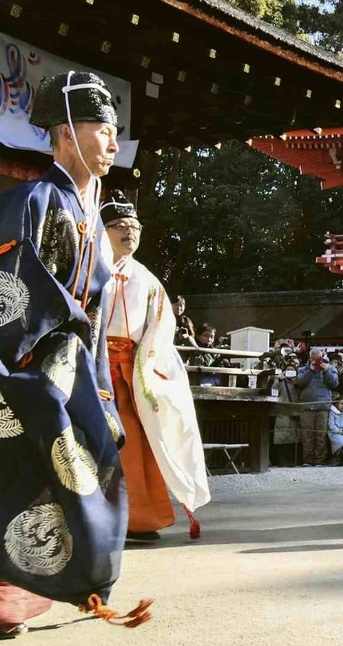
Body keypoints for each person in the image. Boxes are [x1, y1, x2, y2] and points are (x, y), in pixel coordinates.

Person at [0, 71, 152, 637]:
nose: (114, 142)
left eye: (116, 132)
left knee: (85, 478)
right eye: (104, 129)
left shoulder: (94, 212)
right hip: (27, 369)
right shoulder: (34, 201)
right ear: (65, 133)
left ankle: (72, 584)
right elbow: (12, 291)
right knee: (25, 477)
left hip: (74, 371)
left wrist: (95, 385)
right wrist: (32, 368)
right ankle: (13, 594)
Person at [100, 191, 209, 542]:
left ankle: (139, 520)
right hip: (92, 365)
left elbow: (161, 328)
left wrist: (147, 370)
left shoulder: (146, 279)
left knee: (137, 442)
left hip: (132, 370)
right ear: (103, 231)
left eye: (134, 227)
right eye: (118, 226)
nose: (128, 233)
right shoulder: (88, 270)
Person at [295, 348, 339, 466]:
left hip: (322, 406)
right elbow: (299, 383)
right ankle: (308, 460)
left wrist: (326, 371)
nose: (316, 361)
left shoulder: (330, 368)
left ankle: (320, 460)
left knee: (321, 435)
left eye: (318, 358)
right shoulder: (302, 369)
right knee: (307, 435)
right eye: (314, 359)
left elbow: (334, 384)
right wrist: (310, 370)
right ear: (310, 358)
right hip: (307, 407)